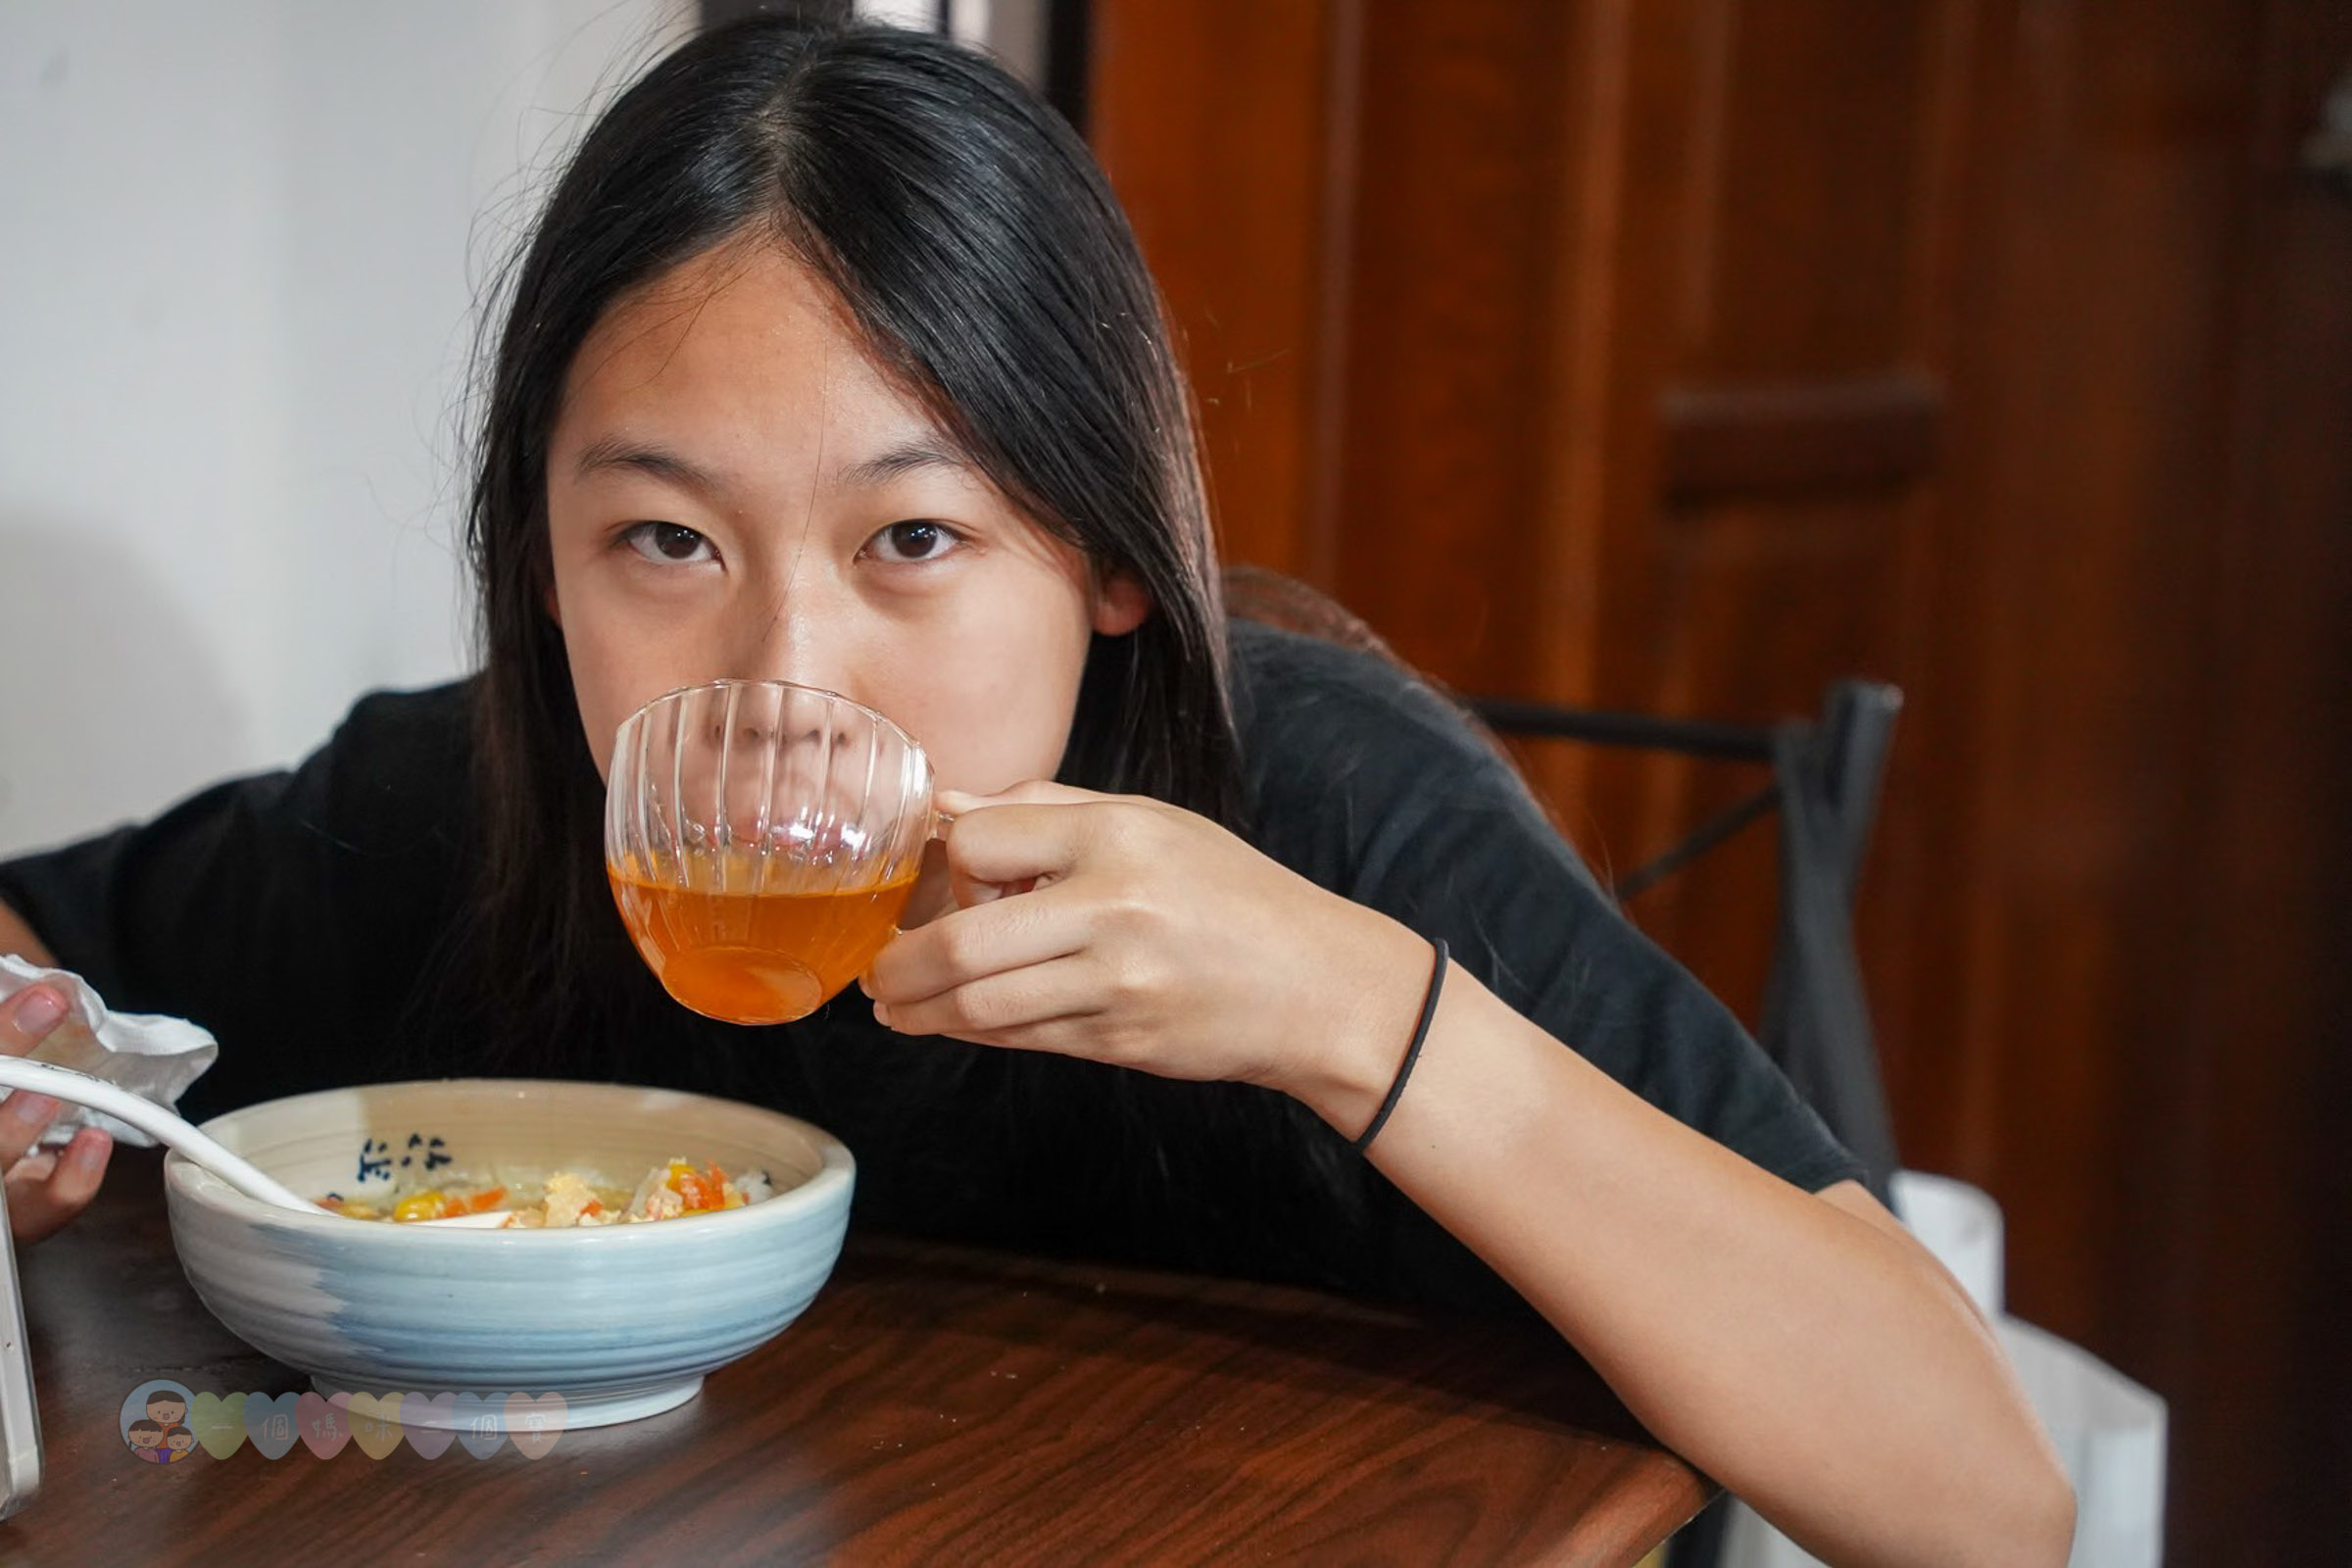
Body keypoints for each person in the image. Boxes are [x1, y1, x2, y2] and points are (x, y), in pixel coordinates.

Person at [0, 16, 2070, 1562]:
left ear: (1100, 555)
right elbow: (47, 956)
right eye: (663, 542)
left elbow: (1983, 1499)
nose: (784, 676)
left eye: (912, 542)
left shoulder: (1324, 812)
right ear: (538, 555)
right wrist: (39, 1060)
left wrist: (1364, 1017)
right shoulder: (486, 803)